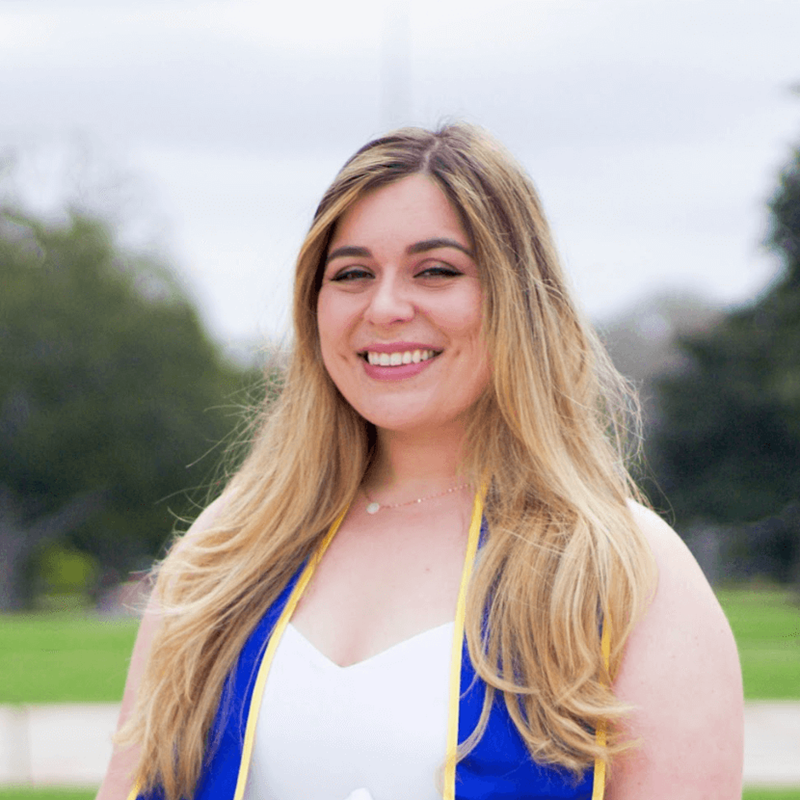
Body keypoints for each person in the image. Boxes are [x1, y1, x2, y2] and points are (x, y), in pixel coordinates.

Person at [97, 123, 744, 800]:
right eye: (351, 274)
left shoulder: (622, 568)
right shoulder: (229, 549)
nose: (384, 308)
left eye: (436, 270)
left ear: (518, 298)